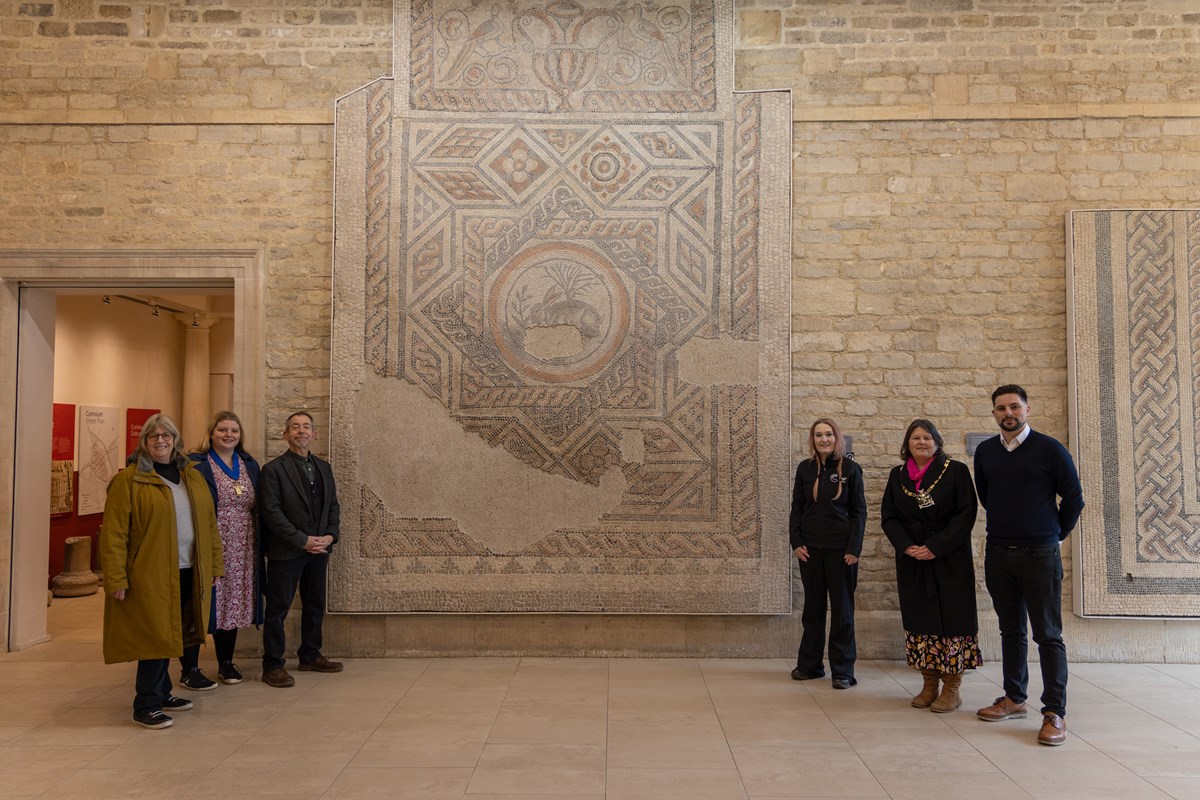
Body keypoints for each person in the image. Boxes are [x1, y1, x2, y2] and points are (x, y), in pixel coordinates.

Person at [974, 384, 1084, 746]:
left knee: (1048, 635)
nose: (1008, 413)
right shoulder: (987, 452)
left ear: (1027, 410)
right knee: (1011, 631)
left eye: (1014, 407)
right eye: (1001, 408)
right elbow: (987, 497)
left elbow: (1073, 497)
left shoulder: (1050, 449)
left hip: (1040, 554)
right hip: (999, 552)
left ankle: (1055, 712)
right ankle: (1014, 697)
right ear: (993, 414)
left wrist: (1057, 533)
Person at [98, 414, 224, 729]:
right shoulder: (130, 480)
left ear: (175, 440)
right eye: (153, 436)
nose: (160, 441)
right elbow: (113, 534)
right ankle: (146, 705)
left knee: (176, 634)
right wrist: (115, 578)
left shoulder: (191, 475)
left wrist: (214, 565)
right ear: (144, 442)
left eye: (166, 435)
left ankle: (164, 692)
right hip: (150, 574)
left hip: (188, 569)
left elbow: (209, 525)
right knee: (153, 637)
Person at [881, 419, 980, 713]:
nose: (921, 443)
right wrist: (908, 546)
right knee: (921, 619)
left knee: (953, 620)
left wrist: (935, 547)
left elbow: (966, 514)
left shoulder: (956, 471)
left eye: (927, 438)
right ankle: (929, 683)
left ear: (937, 442)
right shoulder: (897, 476)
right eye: (915, 438)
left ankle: (952, 688)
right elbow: (889, 517)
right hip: (913, 559)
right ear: (906, 445)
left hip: (949, 557)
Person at [259, 411, 343, 687]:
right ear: (286, 435)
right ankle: (272, 665)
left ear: (314, 434)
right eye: (295, 427)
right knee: (278, 608)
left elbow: (332, 505)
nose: (301, 431)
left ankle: (310, 654)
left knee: (315, 604)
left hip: (319, 550)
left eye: (306, 427)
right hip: (287, 551)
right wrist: (302, 540)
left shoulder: (324, 468)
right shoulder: (273, 470)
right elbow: (272, 513)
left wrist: (330, 536)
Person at [185, 411, 262, 687]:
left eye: (234, 431)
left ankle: (226, 663)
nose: (229, 435)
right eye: (222, 430)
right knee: (201, 602)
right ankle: (190, 667)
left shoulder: (249, 464)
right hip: (208, 542)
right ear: (211, 433)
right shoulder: (197, 464)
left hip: (242, 547)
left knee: (231, 605)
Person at [788, 418, 866, 690]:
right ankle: (810, 665)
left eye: (828, 434)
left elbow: (859, 512)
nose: (824, 439)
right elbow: (797, 507)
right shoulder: (805, 469)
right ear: (813, 439)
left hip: (841, 553)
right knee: (813, 610)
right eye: (818, 435)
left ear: (837, 438)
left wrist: (853, 549)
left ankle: (842, 671)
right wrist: (796, 542)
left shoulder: (852, 470)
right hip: (810, 551)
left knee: (843, 611)